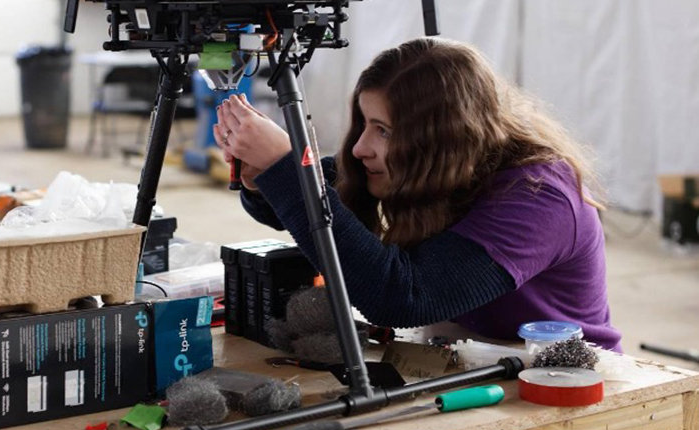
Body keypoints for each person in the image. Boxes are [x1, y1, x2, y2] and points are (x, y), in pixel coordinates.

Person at [215, 37, 622, 352]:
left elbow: (403, 298)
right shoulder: (441, 162)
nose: (360, 148)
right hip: (477, 358)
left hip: (565, 378)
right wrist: (263, 177)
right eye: (366, 124)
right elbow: (327, 199)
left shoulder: (538, 197)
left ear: (442, 139)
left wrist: (287, 168)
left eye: (384, 130)